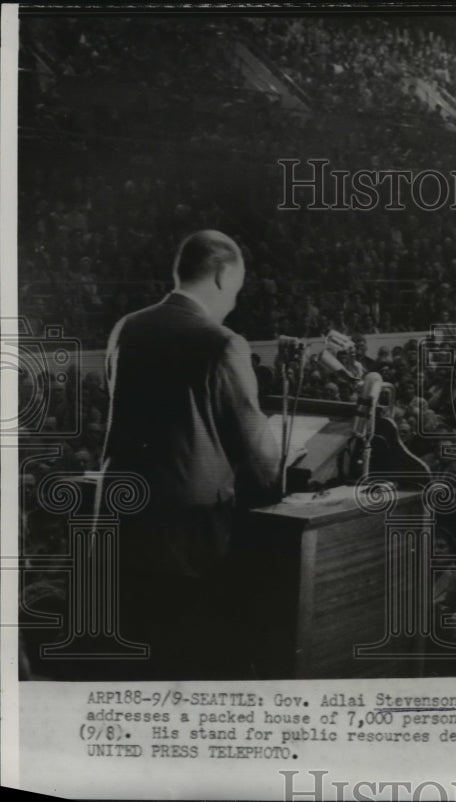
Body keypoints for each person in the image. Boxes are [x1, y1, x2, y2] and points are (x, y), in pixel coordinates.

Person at [100, 230, 280, 679]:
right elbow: (260, 455)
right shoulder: (221, 342)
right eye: (236, 290)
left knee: (134, 660)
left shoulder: (127, 328)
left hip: (120, 522)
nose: (234, 303)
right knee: (188, 659)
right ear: (222, 276)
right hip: (188, 536)